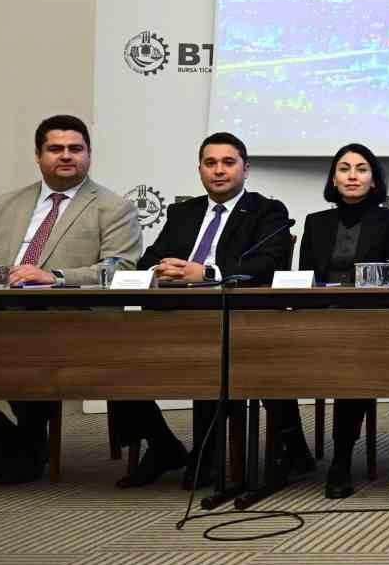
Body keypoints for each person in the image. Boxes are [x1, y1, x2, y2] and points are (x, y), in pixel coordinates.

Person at [0, 114, 142, 484]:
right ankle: (8, 439)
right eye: (55, 149)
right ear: (38, 155)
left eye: (75, 148)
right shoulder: (3, 204)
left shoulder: (113, 207)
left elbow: (119, 269)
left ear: (89, 154)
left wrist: (55, 276)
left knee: (26, 342)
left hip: (61, 319)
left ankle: (22, 445)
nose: (66, 156)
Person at [113, 132, 299, 490]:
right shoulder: (183, 212)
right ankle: (162, 444)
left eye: (228, 163)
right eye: (210, 163)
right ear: (200, 169)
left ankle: (207, 453)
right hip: (175, 312)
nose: (219, 171)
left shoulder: (267, 211)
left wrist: (208, 273)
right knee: (114, 353)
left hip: (233, 316)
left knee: (216, 350)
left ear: (246, 169)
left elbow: (266, 263)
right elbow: (150, 258)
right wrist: (158, 270)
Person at [298, 143, 389, 498]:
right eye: (344, 169)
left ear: (374, 180)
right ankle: (291, 449)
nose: (352, 176)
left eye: (361, 169)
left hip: (371, 324)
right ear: (333, 178)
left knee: (354, 355)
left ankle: (341, 459)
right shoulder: (315, 223)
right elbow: (304, 280)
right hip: (321, 321)